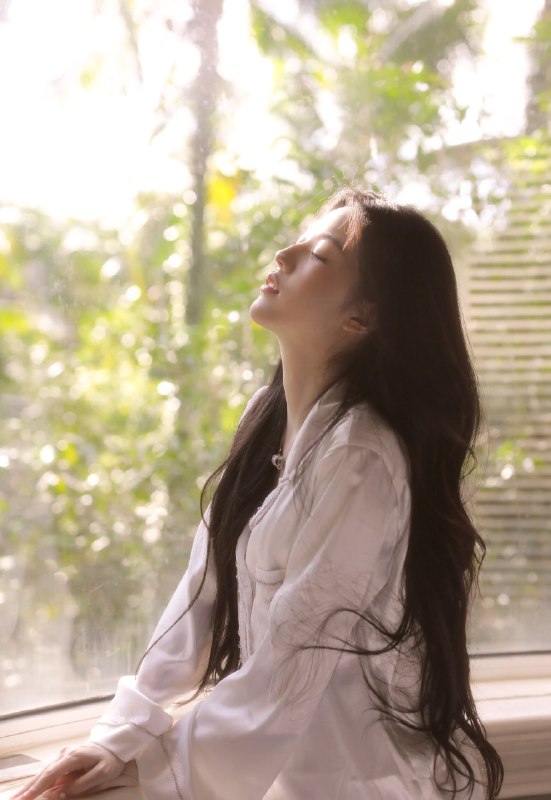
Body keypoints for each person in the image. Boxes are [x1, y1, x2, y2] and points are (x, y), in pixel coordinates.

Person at [12, 188, 503, 800]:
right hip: (287, 774)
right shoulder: (267, 418)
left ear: (362, 317)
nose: (284, 254)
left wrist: (155, 766)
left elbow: (289, 666)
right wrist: (122, 733)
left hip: (360, 784)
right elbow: (202, 595)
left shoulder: (361, 456)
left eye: (319, 255)